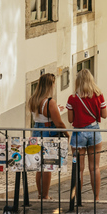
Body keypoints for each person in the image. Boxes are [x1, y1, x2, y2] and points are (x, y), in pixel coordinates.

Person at [66, 69, 107, 200]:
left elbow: (70, 119)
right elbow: (104, 115)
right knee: (94, 167)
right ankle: (96, 198)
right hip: (94, 131)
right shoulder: (99, 95)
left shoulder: (72, 98)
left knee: (78, 168)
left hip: (79, 134)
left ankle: (77, 199)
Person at [28, 72, 67, 200]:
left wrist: (57, 109)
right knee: (48, 167)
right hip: (48, 132)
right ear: (50, 85)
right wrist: (67, 133)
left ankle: (40, 194)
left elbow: (41, 115)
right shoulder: (50, 102)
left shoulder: (33, 100)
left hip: (36, 131)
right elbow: (59, 123)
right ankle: (45, 195)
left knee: (40, 167)